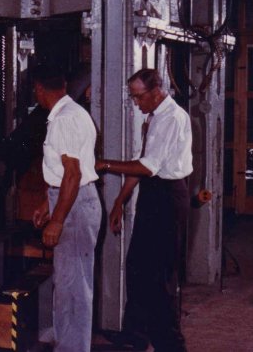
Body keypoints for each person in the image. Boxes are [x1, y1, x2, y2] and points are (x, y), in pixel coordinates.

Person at [96, 68, 192, 352]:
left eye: (139, 97)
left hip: (167, 197)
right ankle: (135, 337)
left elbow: (147, 167)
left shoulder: (171, 118)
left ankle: (171, 346)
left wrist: (105, 164)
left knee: (160, 276)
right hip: (153, 194)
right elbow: (142, 162)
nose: (136, 104)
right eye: (133, 97)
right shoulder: (154, 117)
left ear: (156, 91)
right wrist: (119, 201)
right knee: (137, 267)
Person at [31, 64, 101, 352]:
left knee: (74, 286)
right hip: (72, 200)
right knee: (67, 280)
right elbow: (66, 174)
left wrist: (57, 220)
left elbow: (72, 174)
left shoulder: (64, 120)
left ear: (39, 89)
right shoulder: (73, 113)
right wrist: (48, 204)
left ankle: (72, 347)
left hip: (75, 207)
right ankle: (65, 336)